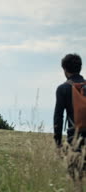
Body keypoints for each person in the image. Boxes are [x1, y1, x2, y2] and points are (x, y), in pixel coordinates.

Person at [53, 53, 85, 190]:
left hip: (75, 140)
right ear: (80, 68)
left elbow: (58, 118)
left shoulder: (63, 89)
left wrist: (58, 143)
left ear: (65, 69)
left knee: (76, 182)